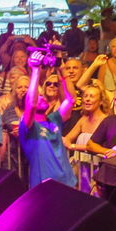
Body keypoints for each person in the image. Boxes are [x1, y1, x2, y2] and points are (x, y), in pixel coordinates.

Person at [20, 58, 76, 187]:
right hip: (44, 186)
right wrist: (36, 70)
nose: (41, 98)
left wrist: (62, 70)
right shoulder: (28, 126)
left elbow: (71, 99)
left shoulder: (54, 119)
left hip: (67, 182)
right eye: (37, 97)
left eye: (42, 96)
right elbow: (31, 103)